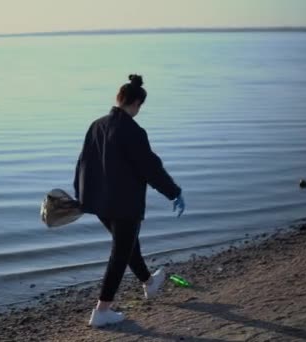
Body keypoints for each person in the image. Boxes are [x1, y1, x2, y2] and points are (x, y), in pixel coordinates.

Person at [74, 74, 186, 327]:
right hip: (125, 204)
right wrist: (174, 192)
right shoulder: (133, 130)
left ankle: (150, 283)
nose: (139, 111)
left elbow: (83, 164)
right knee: (120, 253)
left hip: (101, 203)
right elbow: (150, 167)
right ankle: (102, 311)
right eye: (139, 106)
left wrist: (82, 197)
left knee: (128, 246)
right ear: (136, 103)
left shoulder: (96, 125)